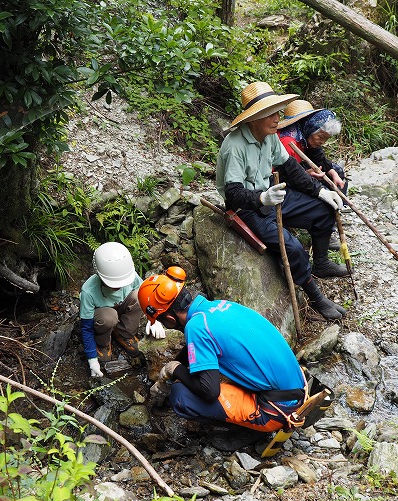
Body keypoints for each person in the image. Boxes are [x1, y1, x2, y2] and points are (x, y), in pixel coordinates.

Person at [215, 81, 347, 320]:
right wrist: (261, 198)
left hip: (271, 195)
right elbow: (232, 193)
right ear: (254, 118)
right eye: (271, 114)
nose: (278, 118)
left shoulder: (270, 136)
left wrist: (320, 192)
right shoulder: (235, 146)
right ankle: (316, 297)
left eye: (277, 112)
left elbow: (291, 169)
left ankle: (322, 263)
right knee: (294, 248)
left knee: (322, 208)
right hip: (247, 207)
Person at [138, 266, 309, 436]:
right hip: (299, 387)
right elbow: (194, 349)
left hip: (278, 409)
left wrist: (174, 369)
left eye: (163, 322)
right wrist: (173, 368)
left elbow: (210, 392)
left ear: (169, 318)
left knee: (181, 396)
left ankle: (239, 432)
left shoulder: (196, 327)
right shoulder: (220, 306)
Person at [80, 242, 166, 377]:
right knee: (109, 317)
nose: (119, 287)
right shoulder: (89, 291)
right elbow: (86, 327)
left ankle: (124, 333)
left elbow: (146, 295)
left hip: (122, 305)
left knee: (138, 296)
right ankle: (103, 342)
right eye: (113, 285)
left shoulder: (128, 275)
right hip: (104, 315)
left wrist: (154, 318)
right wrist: (92, 359)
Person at [277, 99, 348, 197]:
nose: (322, 142)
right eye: (321, 137)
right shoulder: (288, 141)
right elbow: (286, 174)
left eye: (326, 139)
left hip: (300, 170)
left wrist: (334, 174)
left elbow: (319, 158)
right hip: (288, 180)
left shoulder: (307, 135)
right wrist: (306, 174)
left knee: (337, 172)